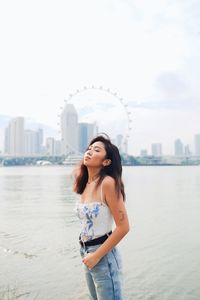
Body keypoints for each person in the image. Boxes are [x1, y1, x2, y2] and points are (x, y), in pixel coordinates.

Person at [73, 134, 130, 300]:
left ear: (106, 162)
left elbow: (123, 227)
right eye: (89, 148)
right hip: (86, 252)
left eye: (96, 150)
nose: (89, 151)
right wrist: (89, 256)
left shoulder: (108, 183)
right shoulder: (85, 184)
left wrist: (96, 256)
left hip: (103, 256)